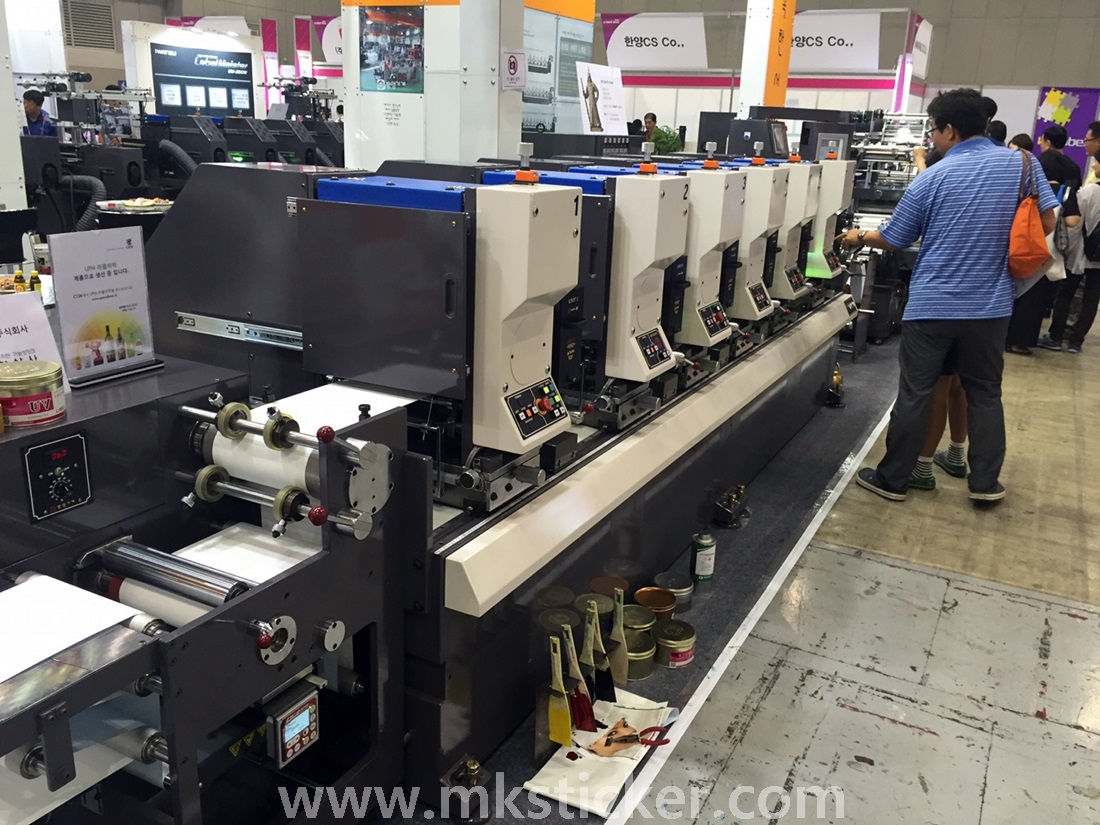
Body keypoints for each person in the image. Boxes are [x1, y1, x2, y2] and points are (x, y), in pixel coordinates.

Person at [840, 88, 1058, 503]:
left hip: (932, 306)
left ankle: (893, 479)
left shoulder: (933, 177)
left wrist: (859, 236)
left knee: (916, 393)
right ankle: (985, 484)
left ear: (951, 130)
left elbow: (895, 237)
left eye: (934, 131)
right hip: (992, 306)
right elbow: (1046, 222)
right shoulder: (1023, 164)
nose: (932, 139)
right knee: (985, 393)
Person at [1038, 153, 1100, 353]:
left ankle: (1056, 337)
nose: (1093, 167)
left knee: (1066, 293)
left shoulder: (1090, 191)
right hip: (1098, 256)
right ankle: (1076, 341)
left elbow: (1075, 224)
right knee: (1092, 298)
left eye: (1097, 163)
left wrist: (1066, 250)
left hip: (1081, 251)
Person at [914, 95, 998, 172]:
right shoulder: (997, 157)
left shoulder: (946, 151)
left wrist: (919, 158)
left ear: (949, 130)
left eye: (933, 130)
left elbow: (927, 178)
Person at [1036, 125, 1082, 190]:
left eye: (1042, 141)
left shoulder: (1041, 161)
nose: (1040, 144)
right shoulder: (1075, 167)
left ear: (1048, 143)